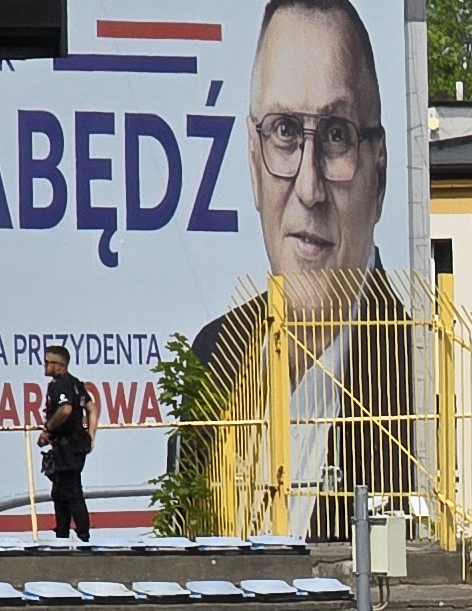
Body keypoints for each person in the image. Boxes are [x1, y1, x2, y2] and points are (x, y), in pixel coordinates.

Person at [176, 0, 418, 536]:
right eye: (284, 131)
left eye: (335, 135)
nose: (308, 189)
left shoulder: (422, 365)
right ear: (251, 157)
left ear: (378, 173)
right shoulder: (214, 353)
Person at [36, 344, 94, 542]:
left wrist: (48, 430)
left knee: (71, 490)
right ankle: (62, 532)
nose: (44, 366)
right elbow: (91, 407)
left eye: (48, 362)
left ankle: (83, 535)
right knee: (60, 491)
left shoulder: (59, 385)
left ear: (59, 365)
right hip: (74, 444)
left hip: (67, 445)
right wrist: (91, 434)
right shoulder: (76, 383)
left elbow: (65, 409)